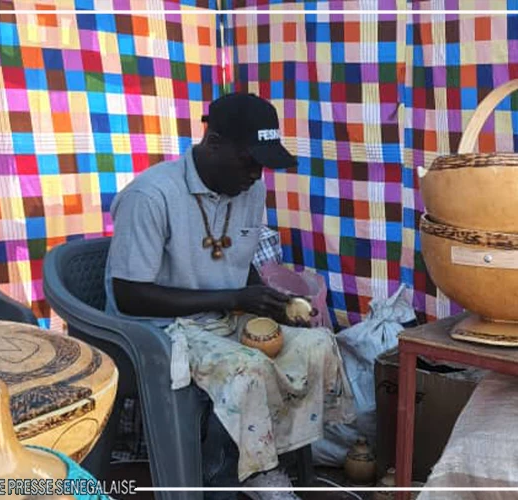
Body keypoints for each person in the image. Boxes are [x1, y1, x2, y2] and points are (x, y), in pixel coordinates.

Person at [105, 92, 354, 500]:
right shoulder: (150, 196)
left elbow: (240, 261)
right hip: (159, 330)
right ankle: (221, 479)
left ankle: (266, 464)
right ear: (214, 141)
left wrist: (269, 300)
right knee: (247, 368)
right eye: (249, 160)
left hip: (223, 316)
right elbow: (130, 295)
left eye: (263, 164)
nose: (257, 174)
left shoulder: (249, 190)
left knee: (317, 344)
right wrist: (236, 298)